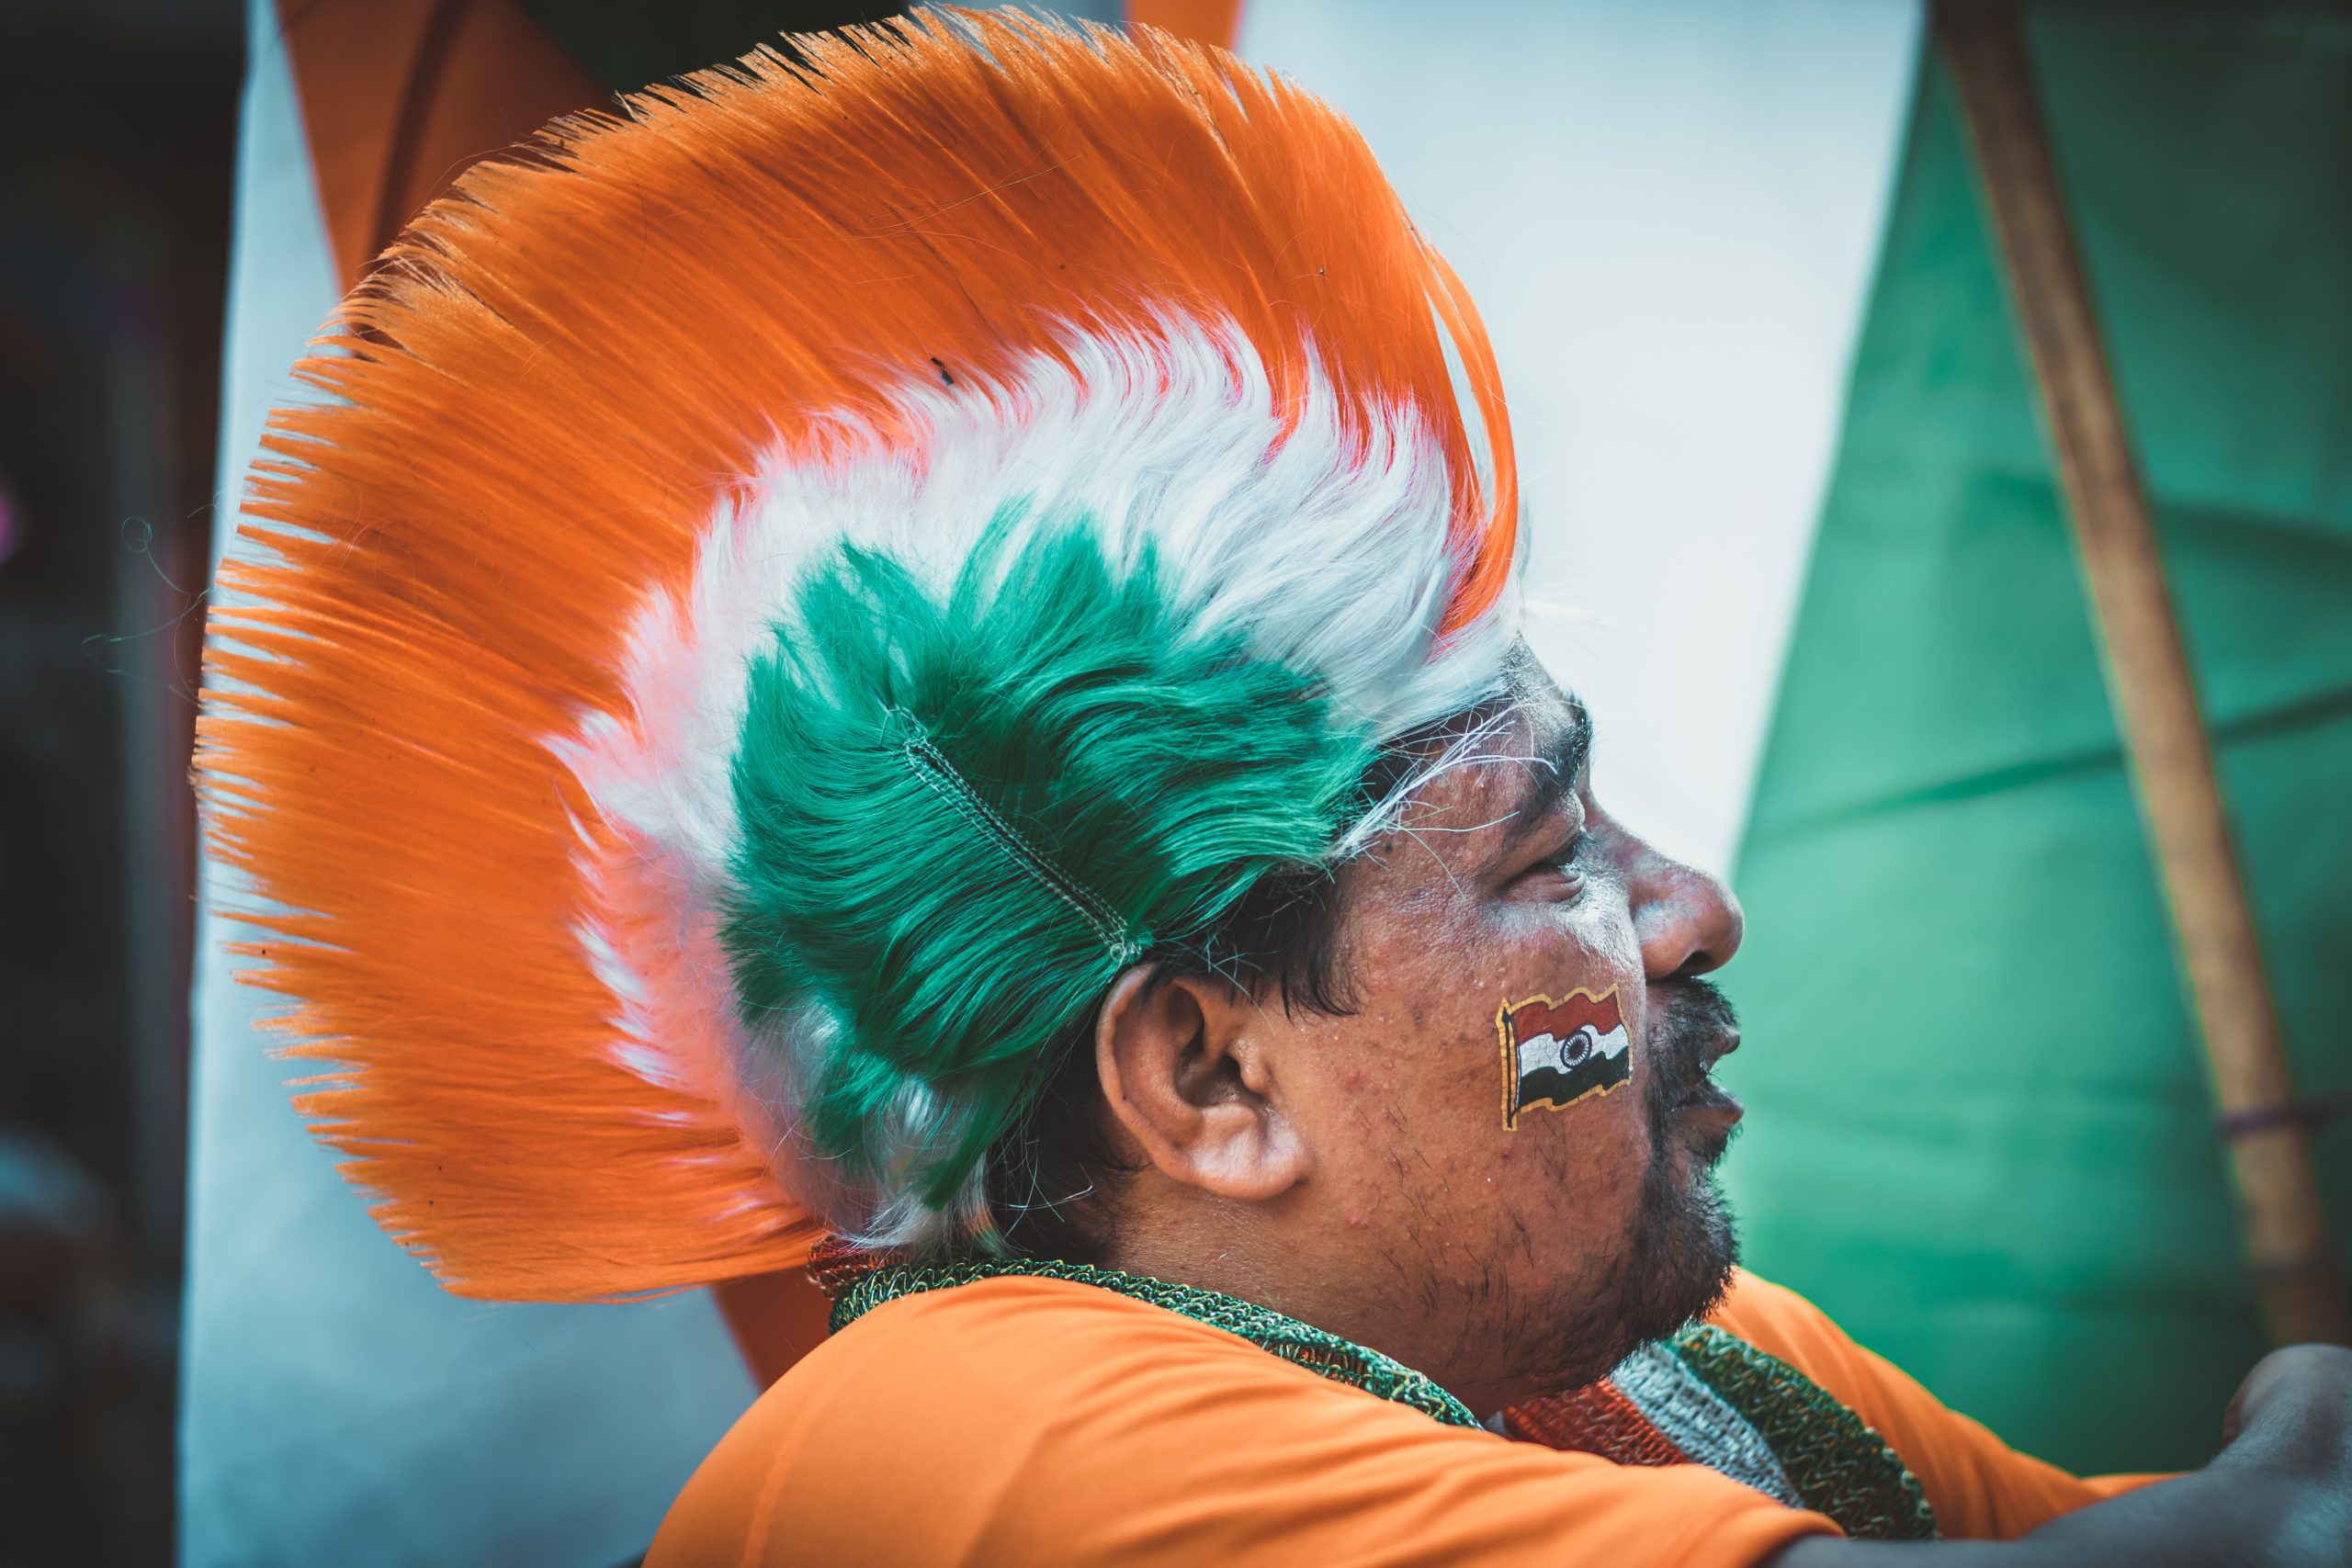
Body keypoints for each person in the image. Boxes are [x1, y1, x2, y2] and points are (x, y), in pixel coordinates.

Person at [192, 13, 2352, 1566]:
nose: (1686, 905)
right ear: (1207, 1069)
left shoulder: (1646, 1337)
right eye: (1547, 857)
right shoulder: (963, 1441)